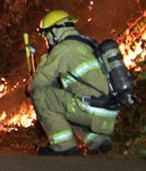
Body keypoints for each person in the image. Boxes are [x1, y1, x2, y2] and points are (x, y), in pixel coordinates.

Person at [29, 9, 118, 156]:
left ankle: (63, 145)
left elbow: (39, 82)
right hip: (108, 113)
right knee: (68, 100)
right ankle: (97, 140)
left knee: (40, 94)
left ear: (55, 31)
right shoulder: (90, 44)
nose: (46, 40)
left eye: (46, 35)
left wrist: (31, 84)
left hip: (90, 110)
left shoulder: (62, 49)